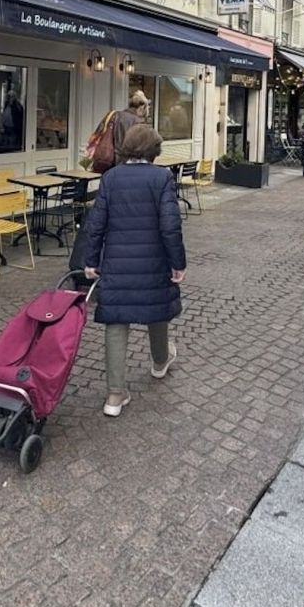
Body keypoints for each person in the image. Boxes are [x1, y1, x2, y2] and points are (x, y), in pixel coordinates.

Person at [82, 123, 186, 418]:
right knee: (157, 310)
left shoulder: (111, 178)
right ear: (154, 150)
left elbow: (96, 224)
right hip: (153, 260)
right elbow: (170, 225)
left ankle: (114, 394)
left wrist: (91, 261)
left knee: (116, 321)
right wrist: (178, 262)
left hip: (117, 262)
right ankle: (159, 361)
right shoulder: (162, 177)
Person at [111, 90, 150, 155]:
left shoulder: (117, 115)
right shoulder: (138, 122)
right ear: (142, 107)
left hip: (112, 158)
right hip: (127, 159)